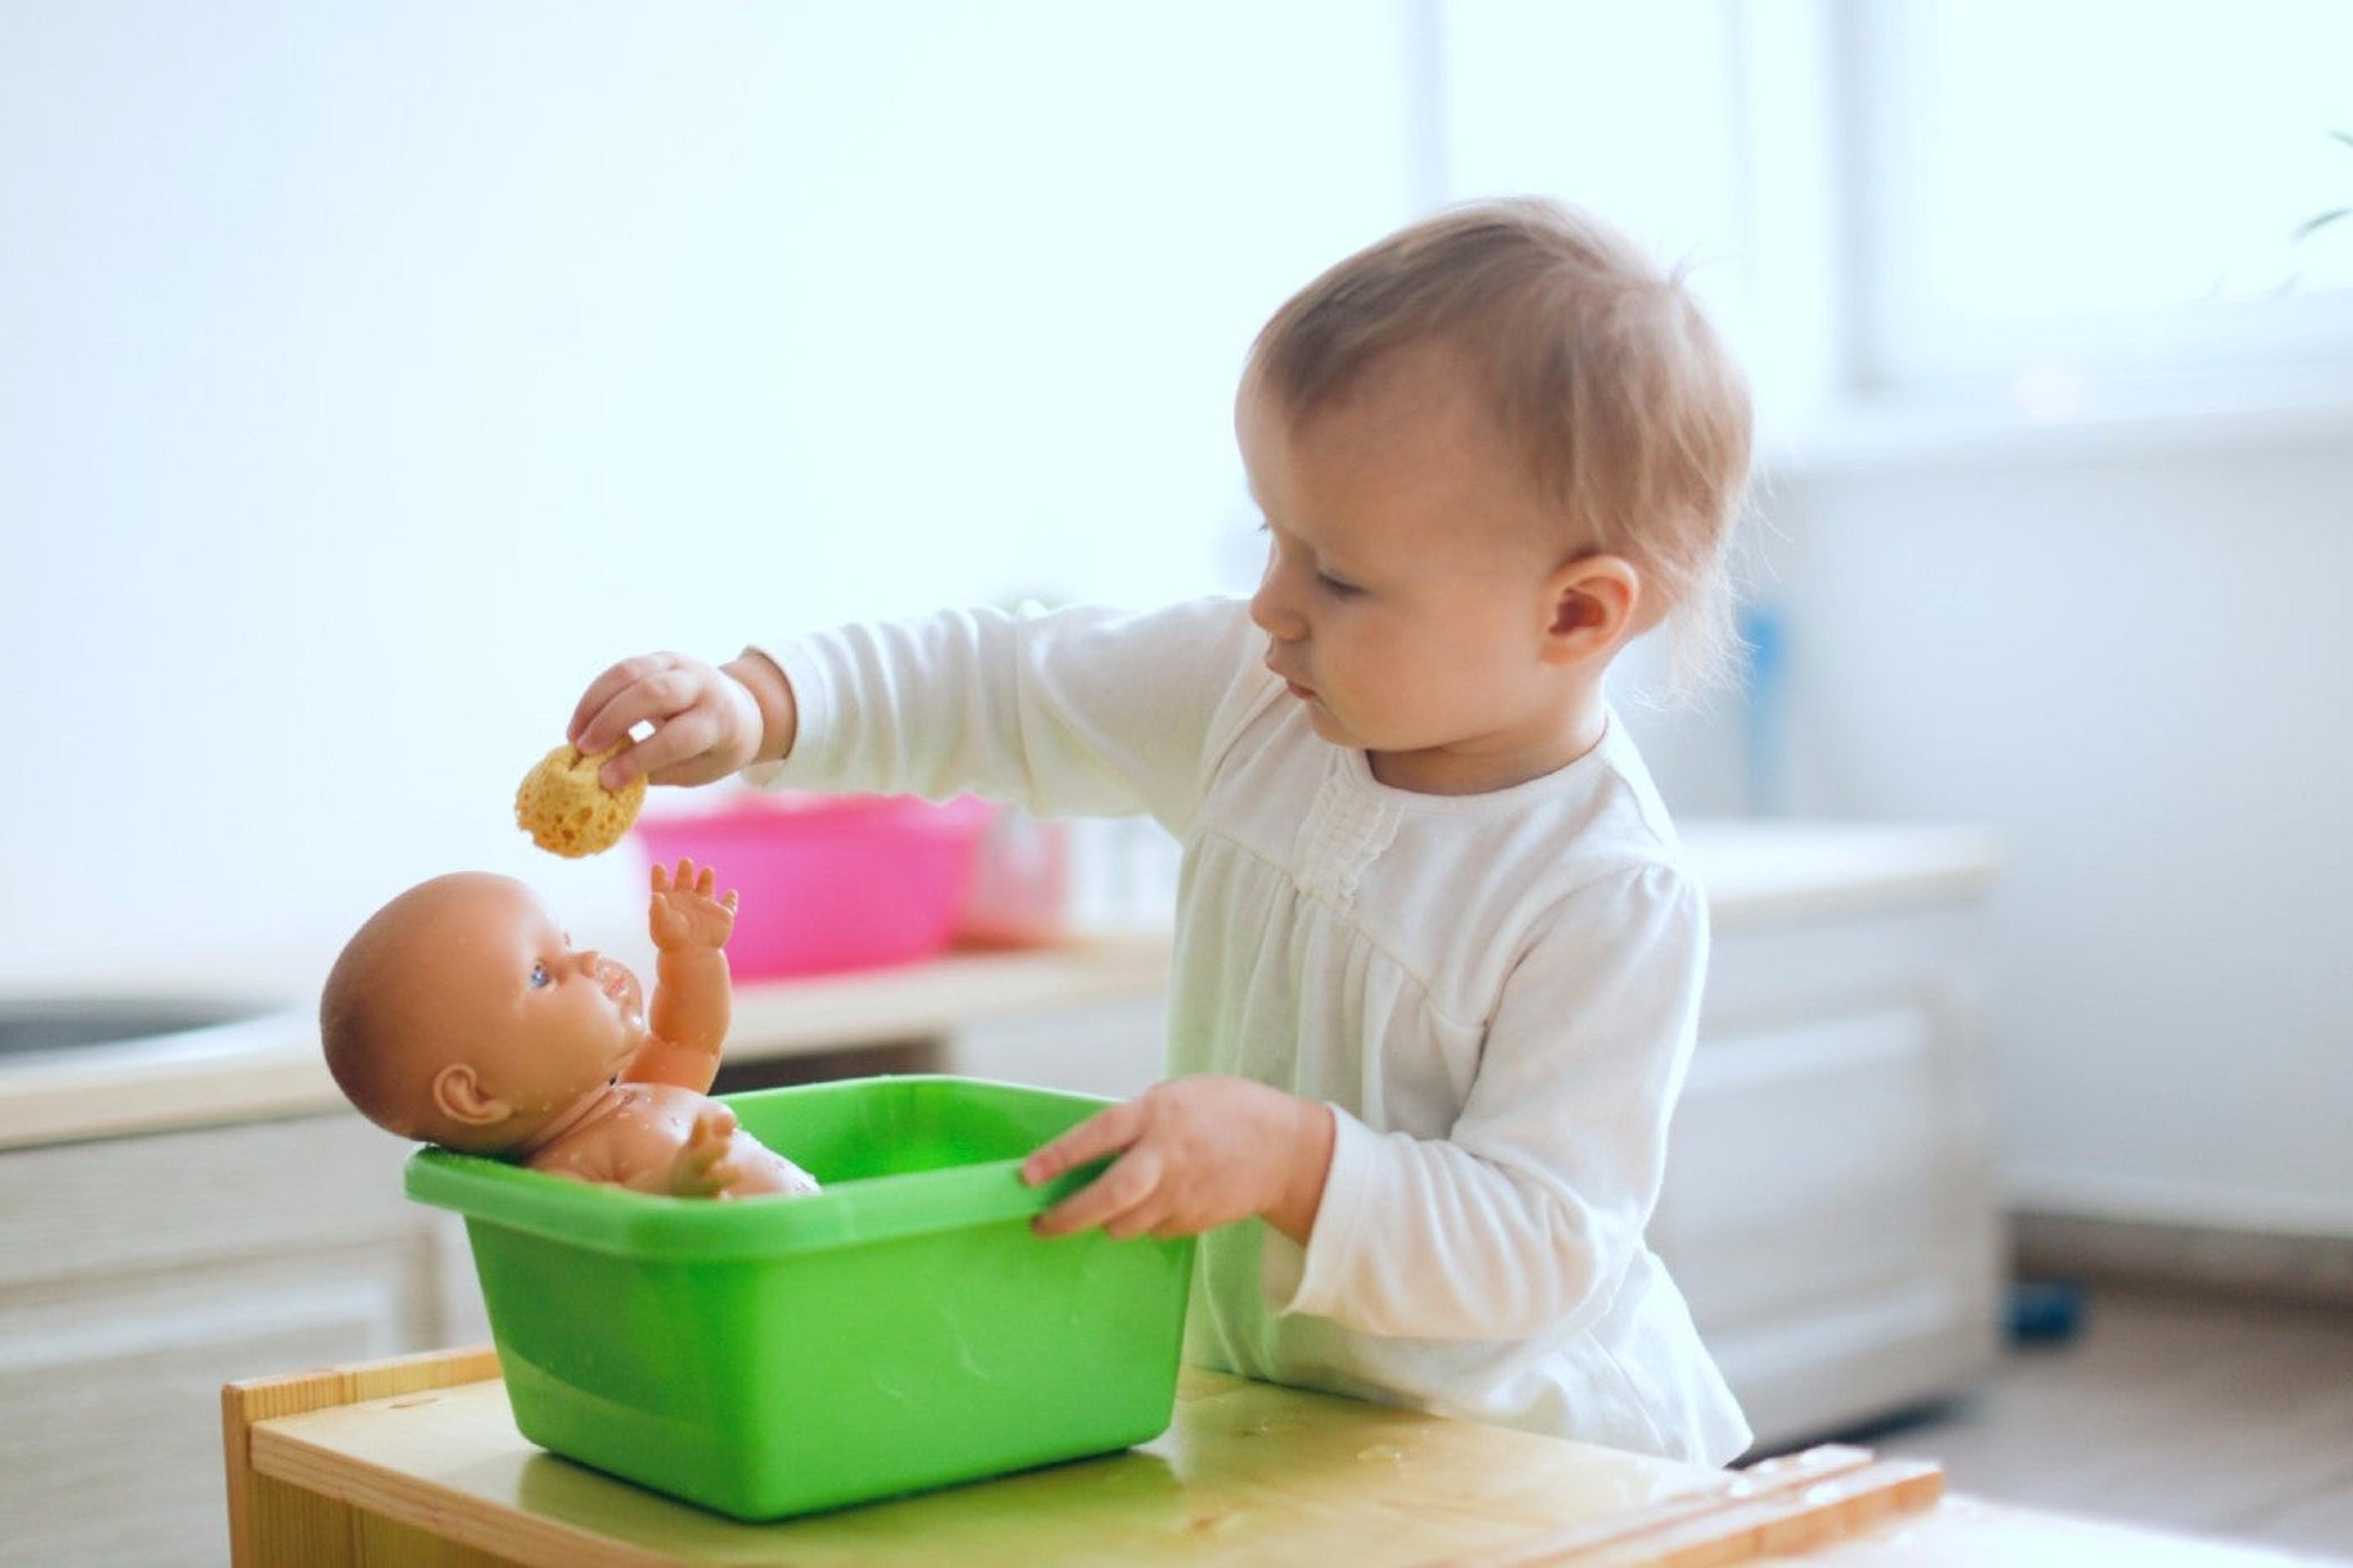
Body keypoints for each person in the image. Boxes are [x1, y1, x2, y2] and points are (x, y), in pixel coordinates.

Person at [563, 197, 1751, 1463]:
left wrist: (1294, 1161)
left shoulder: (1604, 892)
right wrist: (765, 702)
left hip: (1548, 1462)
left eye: (1339, 575)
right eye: (1275, 537)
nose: (1273, 603)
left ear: (1576, 615)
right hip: (1292, 1419)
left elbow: (1542, 1241)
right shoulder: (1253, 690)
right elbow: (1002, 685)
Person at [320, 858, 819, 1199]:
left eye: (567, 942)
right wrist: (676, 1188)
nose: (588, 959)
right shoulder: (555, 1176)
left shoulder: (644, 1091)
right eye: (540, 975)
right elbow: (614, 1223)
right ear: (477, 1094)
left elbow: (689, 1038)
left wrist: (694, 955)